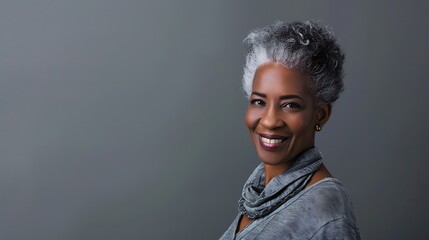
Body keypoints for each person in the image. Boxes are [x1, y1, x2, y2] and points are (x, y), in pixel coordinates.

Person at [219, 20, 361, 239]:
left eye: (290, 105)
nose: (269, 121)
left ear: (320, 115)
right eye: (259, 102)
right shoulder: (259, 194)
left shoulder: (325, 212)